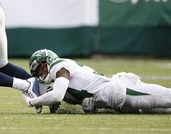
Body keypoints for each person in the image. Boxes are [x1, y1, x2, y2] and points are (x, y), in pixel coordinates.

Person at [23, 49, 171, 114]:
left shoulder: (59, 66)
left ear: (47, 61)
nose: (41, 73)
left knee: (166, 99)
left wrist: (33, 102)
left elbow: (56, 96)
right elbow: (85, 98)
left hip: (121, 91)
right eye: (38, 73)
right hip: (118, 105)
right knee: (165, 111)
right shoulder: (60, 83)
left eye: (40, 68)